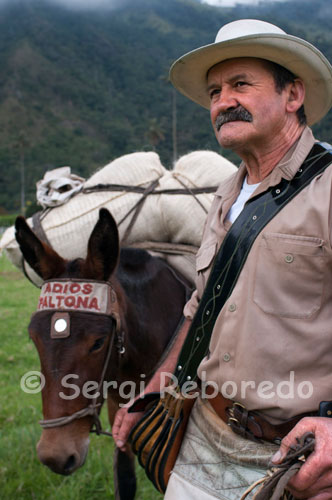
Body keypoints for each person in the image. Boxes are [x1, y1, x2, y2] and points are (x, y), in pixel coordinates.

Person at [113, 19, 332, 499]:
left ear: (293, 95)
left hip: (298, 462)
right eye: (214, 91)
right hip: (204, 435)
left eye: (240, 85)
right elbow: (201, 307)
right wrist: (155, 388)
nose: (222, 102)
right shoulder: (225, 195)